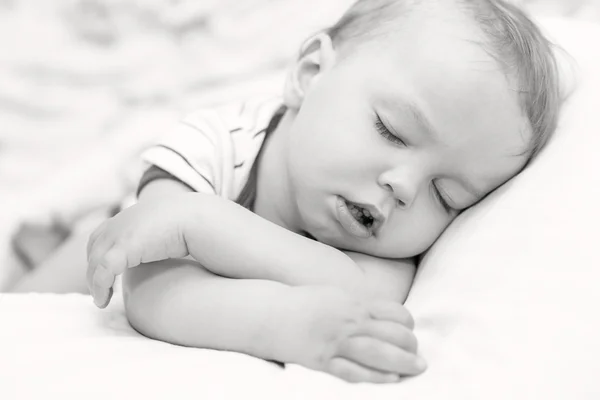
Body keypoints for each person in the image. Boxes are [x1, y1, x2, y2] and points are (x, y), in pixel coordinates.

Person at [38, 0, 566, 383]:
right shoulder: (215, 147)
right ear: (311, 74)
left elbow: (362, 294)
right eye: (391, 131)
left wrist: (202, 227)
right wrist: (278, 318)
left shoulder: (394, 242)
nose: (404, 188)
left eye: (447, 195)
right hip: (107, 232)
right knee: (50, 281)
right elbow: (150, 291)